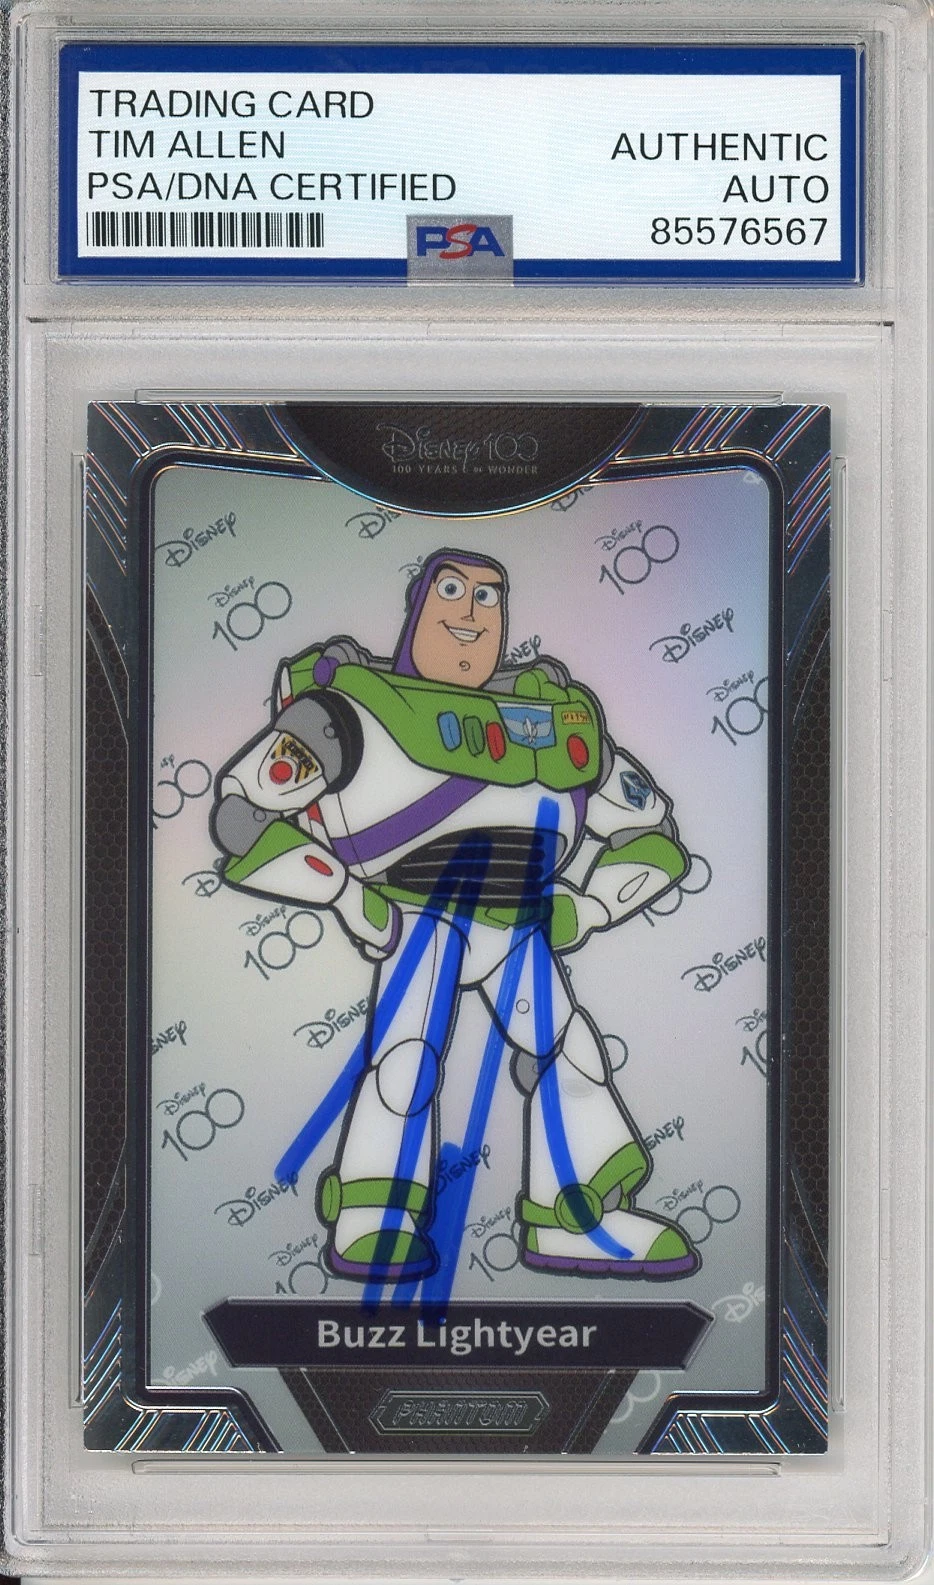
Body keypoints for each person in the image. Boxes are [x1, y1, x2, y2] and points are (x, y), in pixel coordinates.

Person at [212, 549, 699, 1283]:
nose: (471, 611)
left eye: (488, 596)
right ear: (418, 604)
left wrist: (590, 906)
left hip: (520, 925)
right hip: (418, 920)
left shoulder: (556, 719)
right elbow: (243, 814)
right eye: (451, 590)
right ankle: (374, 1218)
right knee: (405, 1064)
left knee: (570, 1056)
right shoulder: (348, 710)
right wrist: (344, 895)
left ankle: (575, 1216)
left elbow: (651, 832)